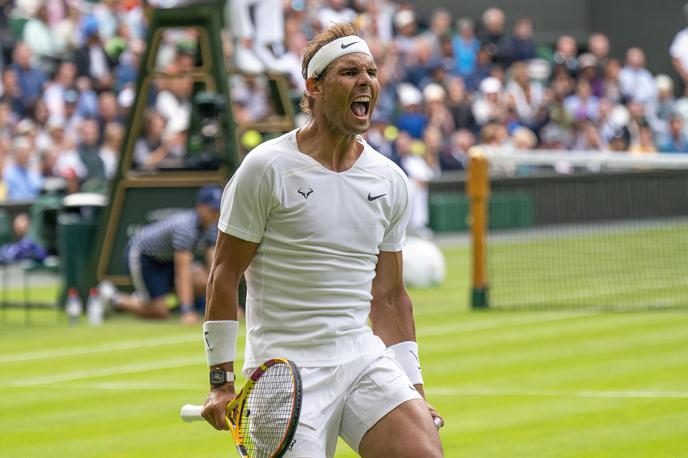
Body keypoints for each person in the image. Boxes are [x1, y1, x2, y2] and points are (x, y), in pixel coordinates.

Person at [200, 23, 444, 457]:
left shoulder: (390, 180)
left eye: (370, 71)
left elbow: (388, 298)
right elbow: (223, 274)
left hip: (361, 359)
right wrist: (221, 383)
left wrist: (415, 389)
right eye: (349, 72)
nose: (365, 81)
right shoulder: (266, 167)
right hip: (283, 373)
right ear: (314, 86)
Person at [104, 186, 222, 324]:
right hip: (143, 256)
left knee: (203, 279)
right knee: (160, 312)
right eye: (212, 209)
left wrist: (228, 309)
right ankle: (112, 298)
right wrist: (187, 311)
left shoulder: (212, 228)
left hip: (167, 260)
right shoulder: (185, 228)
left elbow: (215, 266)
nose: (216, 214)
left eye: (218, 210)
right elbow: (182, 271)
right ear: (199, 207)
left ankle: (153, 299)